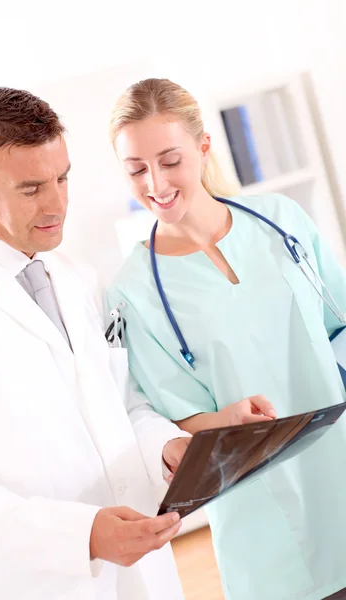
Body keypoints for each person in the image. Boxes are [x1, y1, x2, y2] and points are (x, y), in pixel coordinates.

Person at [0, 86, 192, 600]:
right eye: (32, 188)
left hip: (143, 574)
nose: (58, 203)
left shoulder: (78, 276)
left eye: (63, 178)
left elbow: (123, 403)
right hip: (36, 585)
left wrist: (165, 447)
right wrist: (82, 535)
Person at [107, 78, 346, 600]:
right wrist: (225, 419)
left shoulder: (282, 221)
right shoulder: (133, 292)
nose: (156, 182)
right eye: (136, 169)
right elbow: (173, 417)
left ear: (204, 147)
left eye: (170, 160)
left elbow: (340, 324)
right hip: (264, 520)